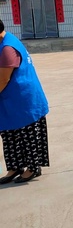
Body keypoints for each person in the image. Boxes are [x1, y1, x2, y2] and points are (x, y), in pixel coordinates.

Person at [0, 19, 50, 184]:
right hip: (10, 100)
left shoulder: (7, 48)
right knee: (9, 135)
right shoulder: (5, 40)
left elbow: (3, 79)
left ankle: (32, 168)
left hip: (23, 100)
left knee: (26, 136)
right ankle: (15, 168)